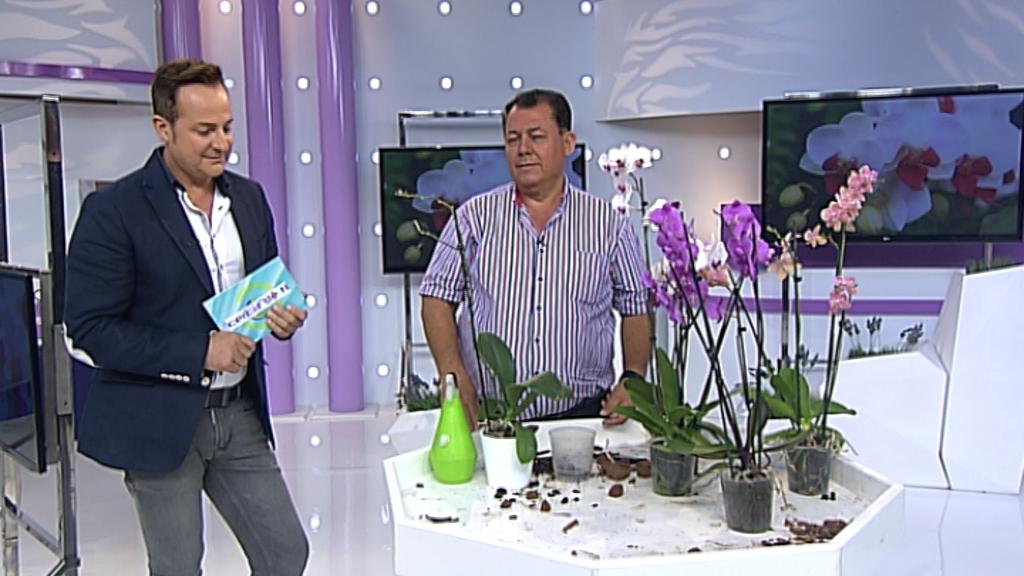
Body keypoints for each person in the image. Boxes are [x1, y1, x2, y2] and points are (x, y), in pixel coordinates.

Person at [64, 59, 308, 575]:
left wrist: (280, 318)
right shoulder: (114, 211)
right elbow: (90, 330)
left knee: (286, 553)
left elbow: (259, 292)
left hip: (238, 412)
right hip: (159, 418)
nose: (222, 142)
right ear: (163, 127)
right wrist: (200, 350)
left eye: (227, 127)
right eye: (204, 131)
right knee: (177, 567)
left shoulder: (249, 198)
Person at [420, 88, 651, 427]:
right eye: (513, 139)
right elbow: (436, 297)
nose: (523, 149)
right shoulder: (472, 218)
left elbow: (636, 306)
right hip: (492, 419)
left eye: (536, 136)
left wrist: (632, 377)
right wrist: (451, 373)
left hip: (583, 418)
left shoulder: (608, 225)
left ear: (568, 143)